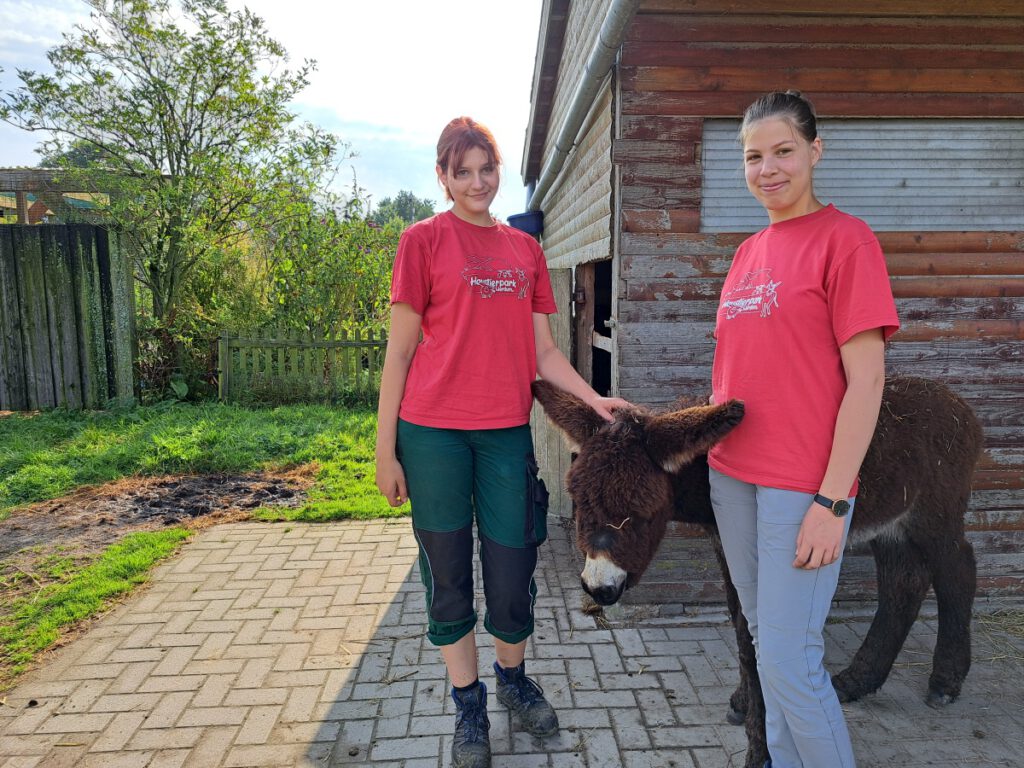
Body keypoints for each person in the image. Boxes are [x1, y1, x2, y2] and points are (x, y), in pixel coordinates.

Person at [375, 116, 628, 768]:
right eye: (464, 171)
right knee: (449, 578)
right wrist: (385, 450)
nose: (478, 181)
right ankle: (468, 707)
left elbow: (544, 352)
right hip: (430, 437)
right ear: (443, 176)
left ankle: (512, 681)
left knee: (514, 575)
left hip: (503, 435)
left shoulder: (524, 252)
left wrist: (594, 399)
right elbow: (399, 355)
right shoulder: (421, 242)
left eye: (488, 168)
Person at [707, 91, 900, 768]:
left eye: (783, 151)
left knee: (793, 661)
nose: (768, 169)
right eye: (754, 156)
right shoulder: (747, 252)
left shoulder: (846, 241)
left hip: (802, 486)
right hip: (733, 476)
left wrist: (832, 499)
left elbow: (867, 382)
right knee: (768, 645)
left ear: (815, 152)